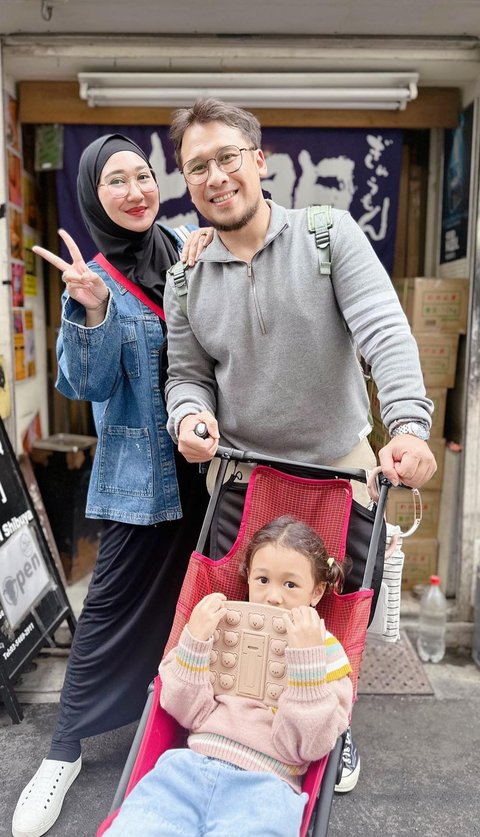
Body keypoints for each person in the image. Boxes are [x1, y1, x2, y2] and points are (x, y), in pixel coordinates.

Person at [162, 98, 438, 794]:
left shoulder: (327, 234)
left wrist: (407, 425)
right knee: (248, 622)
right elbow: (187, 376)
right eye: (197, 167)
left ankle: (333, 728)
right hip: (243, 477)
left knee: (330, 615)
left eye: (227, 157)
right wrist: (188, 419)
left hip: (337, 470)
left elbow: (385, 331)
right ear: (186, 181)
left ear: (260, 162)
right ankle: (239, 730)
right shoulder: (186, 273)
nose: (215, 175)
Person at [12, 134, 212, 837]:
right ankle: (62, 754)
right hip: (140, 482)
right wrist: (92, 312)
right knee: (105, 618)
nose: (135, 191)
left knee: (202, 614)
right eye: (115, 181)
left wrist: (206, 262)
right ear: (93, 196)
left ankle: (186, 733)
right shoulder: (92, 277)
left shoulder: (193, 245)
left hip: (215, 475)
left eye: (143, 176)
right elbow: (84, 385)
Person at [89, 514, 353, 837]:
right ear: (248, 580)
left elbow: (308, 747)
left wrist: (306, 667)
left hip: (266, 787)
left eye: (290, 585)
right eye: (262, 580)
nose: (273, 597)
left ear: (316, 592)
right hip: (187, 771)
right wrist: (195, 643)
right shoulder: (220, 626)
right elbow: (187, 714)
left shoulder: (328, 654)